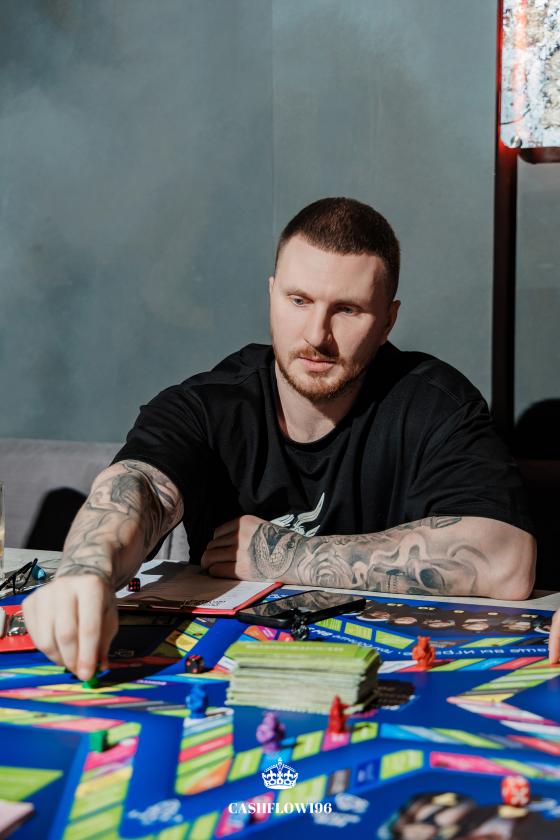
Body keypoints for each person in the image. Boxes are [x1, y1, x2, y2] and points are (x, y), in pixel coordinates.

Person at [22, 197, 536, 680]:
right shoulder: (208, 403)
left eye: (347, 310)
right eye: (299, 300)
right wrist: (84, 572)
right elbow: (138, 489)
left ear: (387, 321)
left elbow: (507, 562)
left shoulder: (435, 404)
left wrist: (284, 553)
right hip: (222, 675)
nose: (316, 334)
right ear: (271, 294)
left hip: (391, 675)